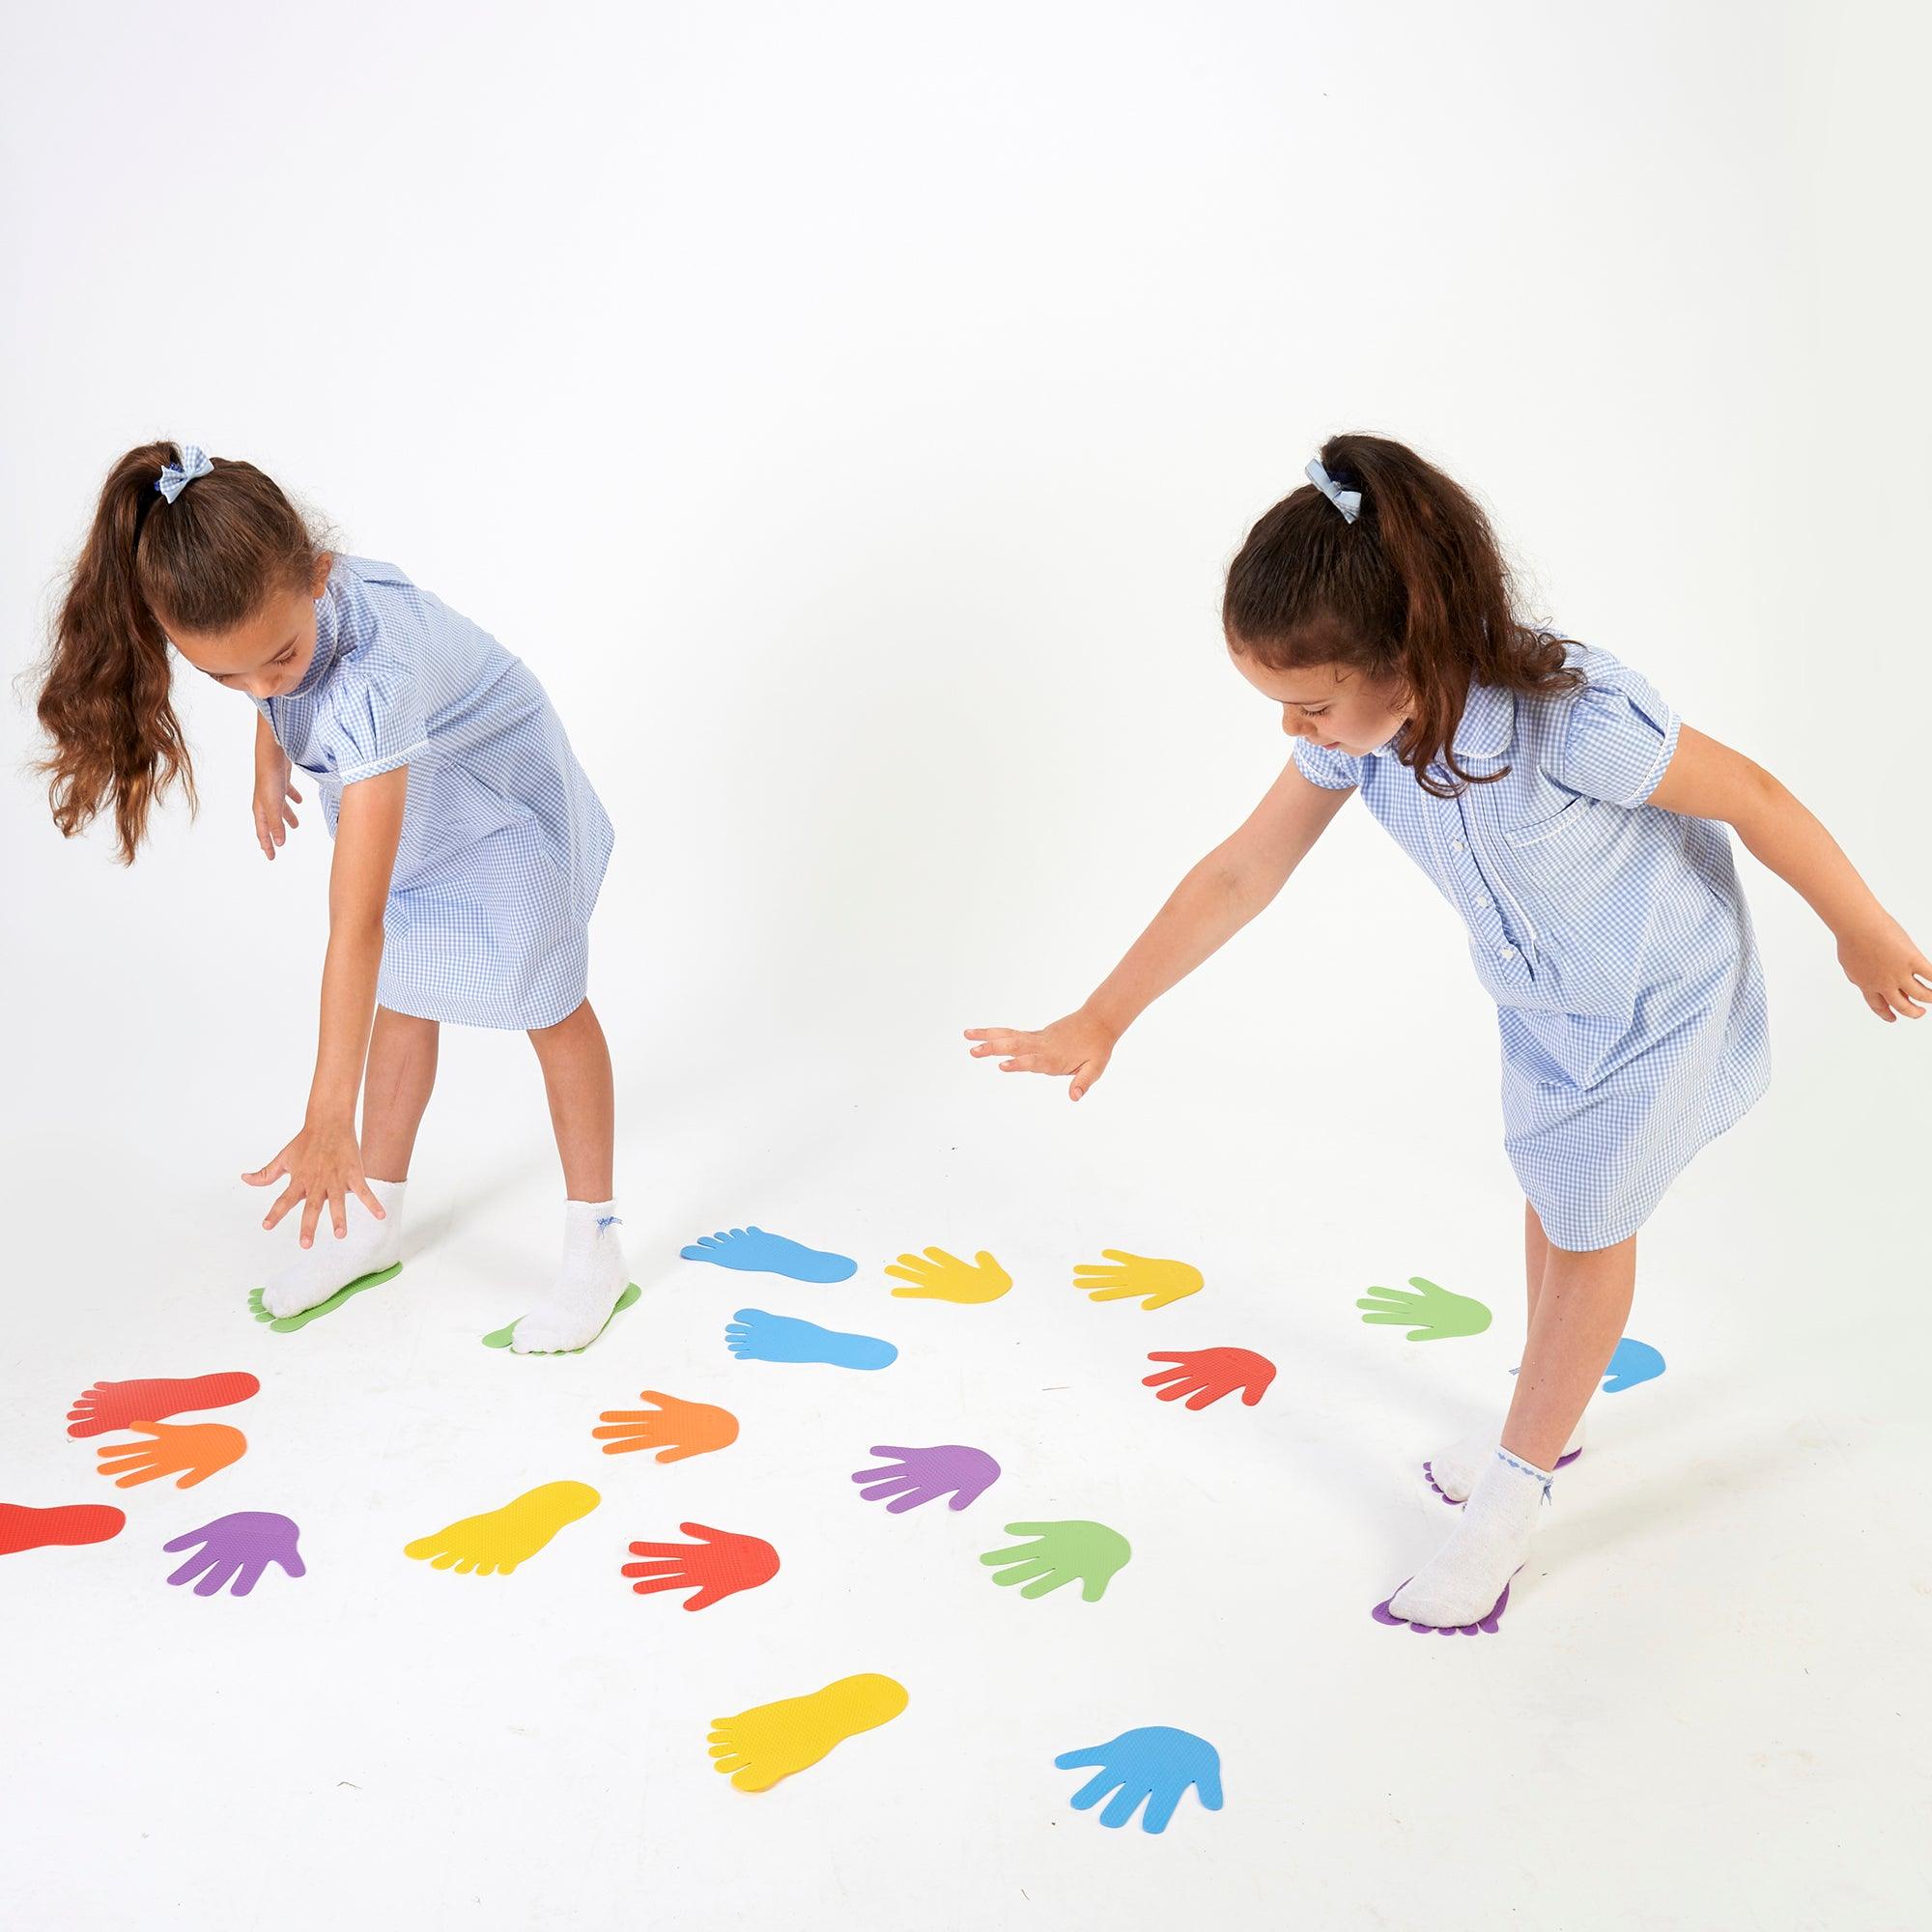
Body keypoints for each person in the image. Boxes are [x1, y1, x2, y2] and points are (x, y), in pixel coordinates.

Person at [966, 432, 1929, 1631]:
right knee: (1554, 1193)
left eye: (1308, 702)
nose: (1294, 730)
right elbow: (1237, 873)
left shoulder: (1572, 721)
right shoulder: (1357, 745)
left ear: (1404, 657)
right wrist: (1100, 1014)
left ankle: (1510, 1502)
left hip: (1657, 992)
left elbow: (1756, 798)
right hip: (1544, 1000)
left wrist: (1862, 929)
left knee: (1587, 1227)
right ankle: (1551, 1412)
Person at [33, 441, 630, 1353]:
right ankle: (374, 1219)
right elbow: (277, 692)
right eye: (225, 678)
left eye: (280, 656)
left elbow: (355, 923)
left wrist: (327, 1116)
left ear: (317, 577)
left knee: (546, 1000)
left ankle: (596, 1242)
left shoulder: (374, 684)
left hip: (493, 789)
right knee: (404, 994)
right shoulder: (282, 617)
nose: (261, 687)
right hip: (414, 785)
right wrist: (270, 760)